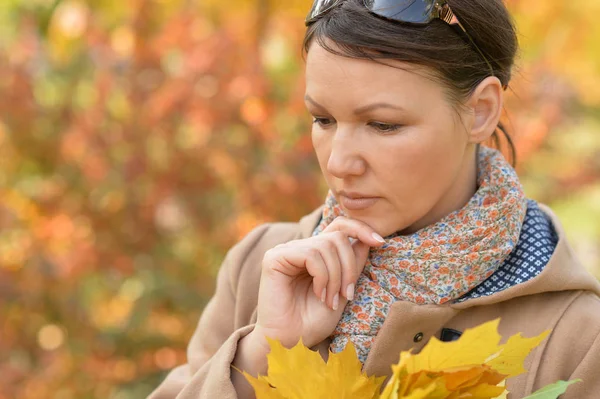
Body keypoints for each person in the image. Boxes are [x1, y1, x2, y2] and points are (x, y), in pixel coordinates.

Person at [149, 0, 600, 398]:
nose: (340, 162)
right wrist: (262, 349)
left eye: (383, 125)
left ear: (480, 111)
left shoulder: (578, 338)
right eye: (322, 119)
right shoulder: (260, 268)